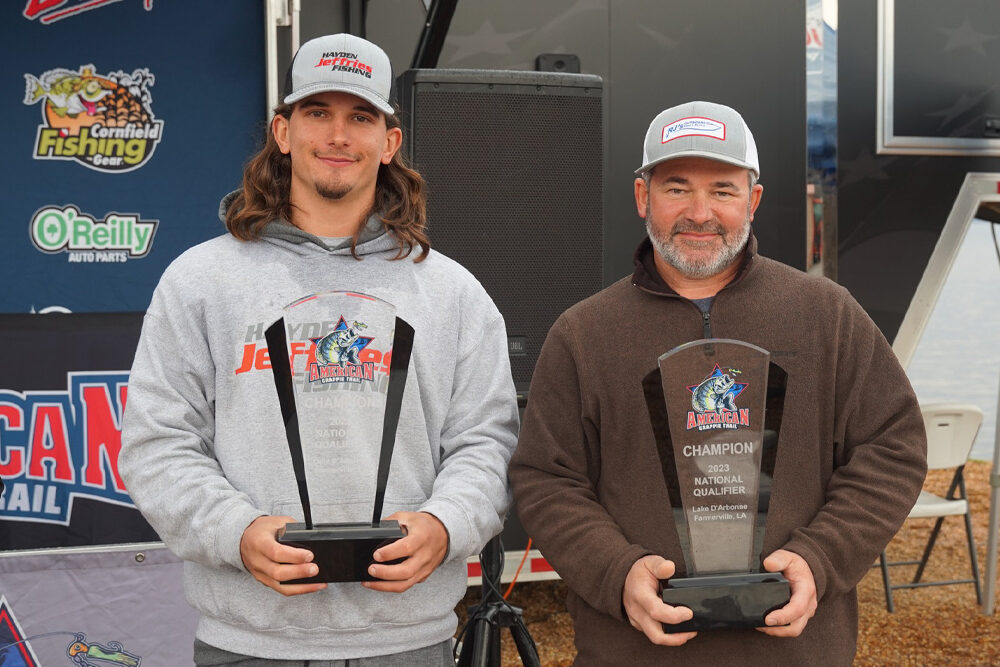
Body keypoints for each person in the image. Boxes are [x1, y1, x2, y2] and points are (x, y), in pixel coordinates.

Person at [119, 33, 518, 666]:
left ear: (389, 143)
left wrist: (445, 526)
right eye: (318, 112)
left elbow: (487, 442)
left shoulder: (452, 292)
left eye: (361, 117)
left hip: (407, 643)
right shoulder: (200, 281)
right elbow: (158, 442)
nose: (338, 135)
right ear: (283, 132)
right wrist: (237, 533)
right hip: (249, 644)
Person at [508, 100, 927, 665]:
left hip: (795, 654)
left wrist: (821, 558)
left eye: (723, 190)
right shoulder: (584, 333)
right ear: (643, 197)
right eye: (677, 188)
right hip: (634, 654)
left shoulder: (826, 314)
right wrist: (618, 571)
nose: (700, 213)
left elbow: (893, 447)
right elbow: (546, 478)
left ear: (753, 200)